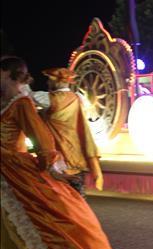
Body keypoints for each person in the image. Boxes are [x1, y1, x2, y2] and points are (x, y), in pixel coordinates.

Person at [1, 56, 118, 249]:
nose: (50, 83)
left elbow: (41, 137)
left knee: (62, 216)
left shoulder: (32, 102)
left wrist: (52, 166)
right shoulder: (62, 99)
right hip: (59, 158)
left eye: (52, 80)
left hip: (41, 163)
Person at [32, 67, 104, 197]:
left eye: (49, 80)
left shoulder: (51, 99)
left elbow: (28, 95)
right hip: (77, 153)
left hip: (59, 154)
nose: (48, 83)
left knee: (61, 197)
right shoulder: (79, 98)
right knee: (77, 195)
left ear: (56, 81)